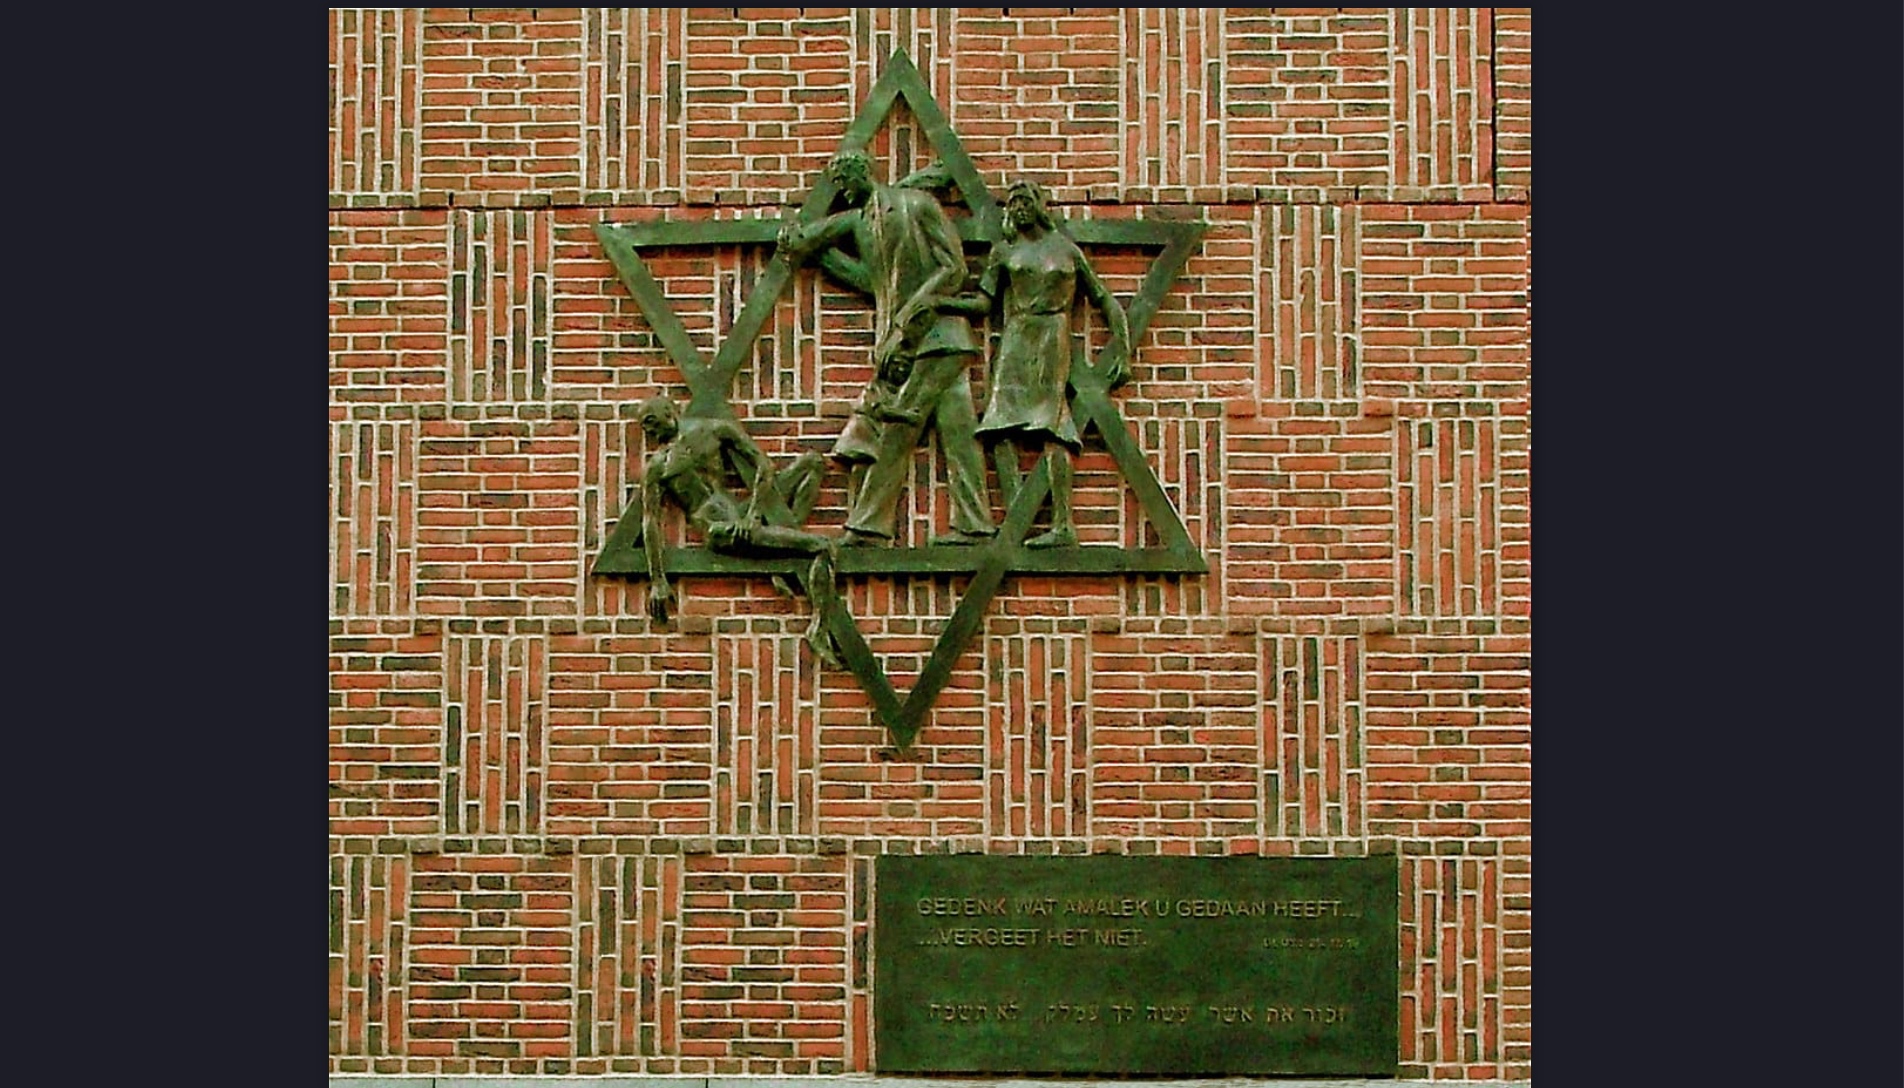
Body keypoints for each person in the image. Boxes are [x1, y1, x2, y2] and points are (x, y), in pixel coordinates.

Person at [777, 151, 997, 547]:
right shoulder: (864, 223)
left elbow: (954, 269)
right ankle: (976, 523)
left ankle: (868, 527)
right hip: (923, 342)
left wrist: (912, 315)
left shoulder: (917, 204)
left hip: (933, 336)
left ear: (864, 171)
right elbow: (872, 281)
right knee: (959, 430)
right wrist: (819, 254)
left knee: (898, 426)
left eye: (845, 181)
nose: (843, 191)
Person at [970, 179, 1131, 548]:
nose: (1019, 208)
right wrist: (942, 305)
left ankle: (1061, 524)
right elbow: (982, 304)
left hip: (1051, 337)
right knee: (998, 424)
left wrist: (1121, 349)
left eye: (1025, 200)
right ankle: (1016, 513)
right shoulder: (1003, 252)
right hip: (1015, 337)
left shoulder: (1067, 252)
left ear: (1040, 205)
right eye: (1013, 203)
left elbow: (1104, 299)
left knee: (1052, 424)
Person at [629, 396, 841, 665]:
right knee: (823, 546)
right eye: (644, 427)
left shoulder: (713, 431)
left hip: (741, 516)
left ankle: (778, 559)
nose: (648, 431)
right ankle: (818, 630)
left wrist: (753, 514)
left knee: (812, 462)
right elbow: (650, 520)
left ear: (668, 411)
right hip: (719, 529)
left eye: (650, 421)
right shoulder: (658, 467)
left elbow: (762, 464)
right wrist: (658, 580)